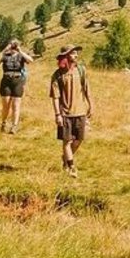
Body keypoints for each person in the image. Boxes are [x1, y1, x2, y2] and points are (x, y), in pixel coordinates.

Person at [49, 44, 93, 178]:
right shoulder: (57, 75)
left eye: (76, 53)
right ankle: (71, 167)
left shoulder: (81, 70)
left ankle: (66, 158)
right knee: (67, 141)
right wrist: (57, 114)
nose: (76, 55)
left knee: (79, 140)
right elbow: (55, 97)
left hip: (80, 112)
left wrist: (91, 105)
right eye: (73, 53)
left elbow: (87, 89)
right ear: (66, 56)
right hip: (65, 113)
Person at [0, 39, 34, 133]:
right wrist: (5, 49)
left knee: (16, 105)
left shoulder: (21, 56)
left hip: (18, 81)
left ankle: (14, 126)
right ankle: (4, 123)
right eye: (12, 44)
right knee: (6, 104)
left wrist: (20, 51)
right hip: (6, 81)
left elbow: (30, 60)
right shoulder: (5, 55)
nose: (13, 46)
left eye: (15, 45)